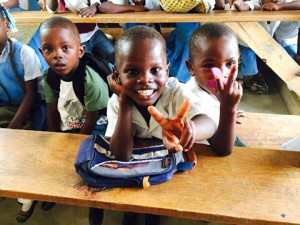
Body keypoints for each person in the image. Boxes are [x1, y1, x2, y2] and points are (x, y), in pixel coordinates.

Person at [106, 25, 235, 225]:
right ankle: (130, 211)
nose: (145, 79)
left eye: (155, 70)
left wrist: (190, 129)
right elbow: (121, 154)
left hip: (167, 169)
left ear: (167, 69)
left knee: (157, 196)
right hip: (135, 167)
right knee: (131, 196)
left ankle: (152, 212)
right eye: (132, 71)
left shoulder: (177, 92)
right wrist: (123, 101)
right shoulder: (116, 102)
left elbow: (208, 122)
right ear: (116, 75)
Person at [39, 16, 110, 225]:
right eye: (48, 49)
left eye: (65, 48)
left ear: (80, 51)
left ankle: (95, 205)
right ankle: (55, 192)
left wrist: (73, 145)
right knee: (51, 159)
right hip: (69, 128)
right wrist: (56, 139)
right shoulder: (50, 76)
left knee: (91, 169)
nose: (57, 56)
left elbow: (92, 119)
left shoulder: (89, 78)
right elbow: (51, 109)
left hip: (95, 130)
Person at [0, 3, 48, 223]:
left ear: (7, 23)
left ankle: (26, 198)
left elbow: (31, 96)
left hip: (28, 109)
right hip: (4, 109)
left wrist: (12, 130)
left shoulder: (23, 52)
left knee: (24, 153)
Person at [185, 22, 245, 148]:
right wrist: (228, 109)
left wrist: (227, 113)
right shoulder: (192, 101)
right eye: (209, 65)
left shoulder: (213, 90)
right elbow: (222, 149)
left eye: (230, 63)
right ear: (191, 67)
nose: (221, 74)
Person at [39, 0, 115, 69]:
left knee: (111, 51)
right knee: (87, 65)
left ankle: (109, 76)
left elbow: (96, 2)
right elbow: (52, 10)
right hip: (76, 37)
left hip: (94, 32)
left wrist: (93, 7)